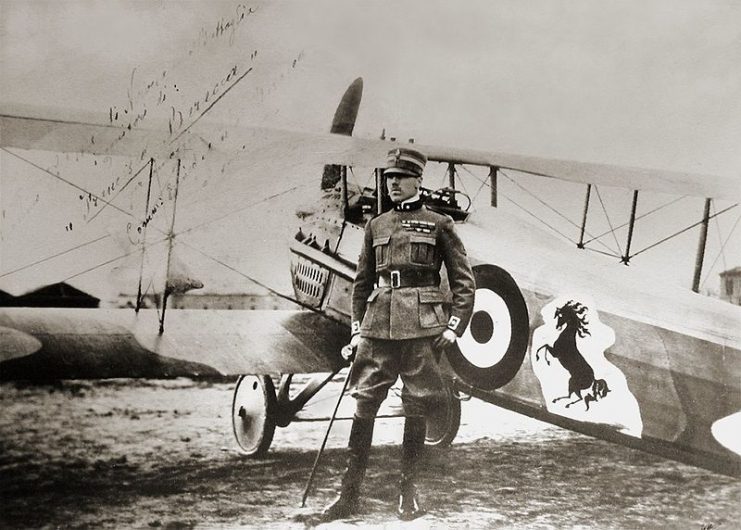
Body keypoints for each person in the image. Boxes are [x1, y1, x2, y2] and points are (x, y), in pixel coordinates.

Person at [322, 147, 475, 521]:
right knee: (364, 403)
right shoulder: (377, 225)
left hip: (422, 328)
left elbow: (464, 282)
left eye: (400, 177)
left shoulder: (439, 224)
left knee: (417, 403)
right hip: (377, 326)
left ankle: (408, 494)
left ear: (418, 180)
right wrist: (357, 330)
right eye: (389, 177)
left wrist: (455, 327)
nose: (392, 183)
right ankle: (348, 494)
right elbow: (361, 284)